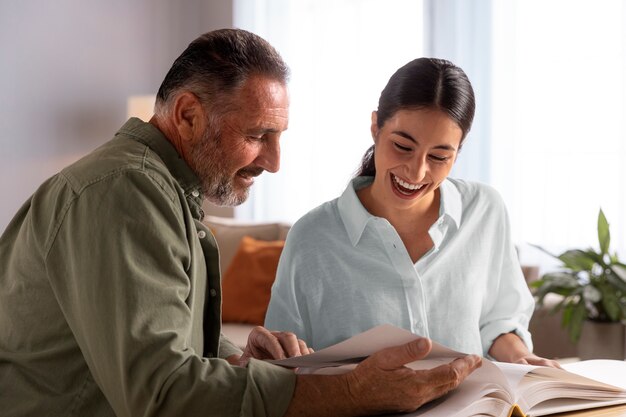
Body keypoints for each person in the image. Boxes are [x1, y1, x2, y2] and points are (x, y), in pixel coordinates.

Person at [0, 29, 482, 417]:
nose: (273, 162)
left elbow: (164, 348)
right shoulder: (122, 194)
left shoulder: (164, 193)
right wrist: (354, 391)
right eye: (257, 135)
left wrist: (237, 359)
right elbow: (161, 394)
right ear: (188, 115)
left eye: (278, 136)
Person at [265, 57, 560, 368]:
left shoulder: (485, 211)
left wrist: (522, 357)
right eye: (403, 147)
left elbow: (498, 321)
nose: (417, 172)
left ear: (458, 152)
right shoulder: (312, 238)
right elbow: (283, 362)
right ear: (376, 126)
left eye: (439, 156)